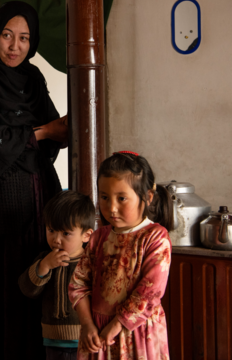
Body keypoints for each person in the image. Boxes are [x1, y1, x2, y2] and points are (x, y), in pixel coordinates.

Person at [0, 1, 68, 360]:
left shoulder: (33, 79)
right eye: (7, 35)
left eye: (24, 38)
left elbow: (54, 130)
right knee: (2, 287)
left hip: (38, 203)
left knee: (36, 280)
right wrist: (42, 132)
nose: (14, 46)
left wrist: (65, 128)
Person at [68, 151, 174, 360]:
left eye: (122, 198)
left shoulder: (155, 237)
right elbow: (78, 283)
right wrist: (88, 325)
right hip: (97, 334)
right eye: (105, 197)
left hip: (136, 333)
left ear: (148, 198)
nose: (111, 208)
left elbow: (149, 292)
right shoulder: (99, 237)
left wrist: (115, 326)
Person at [18, 190, 96, 360]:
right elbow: (27, 289)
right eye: (51, 230)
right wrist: (44, 266)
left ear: (86, 235)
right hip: (52, 340)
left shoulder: (92, 262)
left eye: (66, 233)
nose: (56, 239)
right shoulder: (44, 259)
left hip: (85, 338)